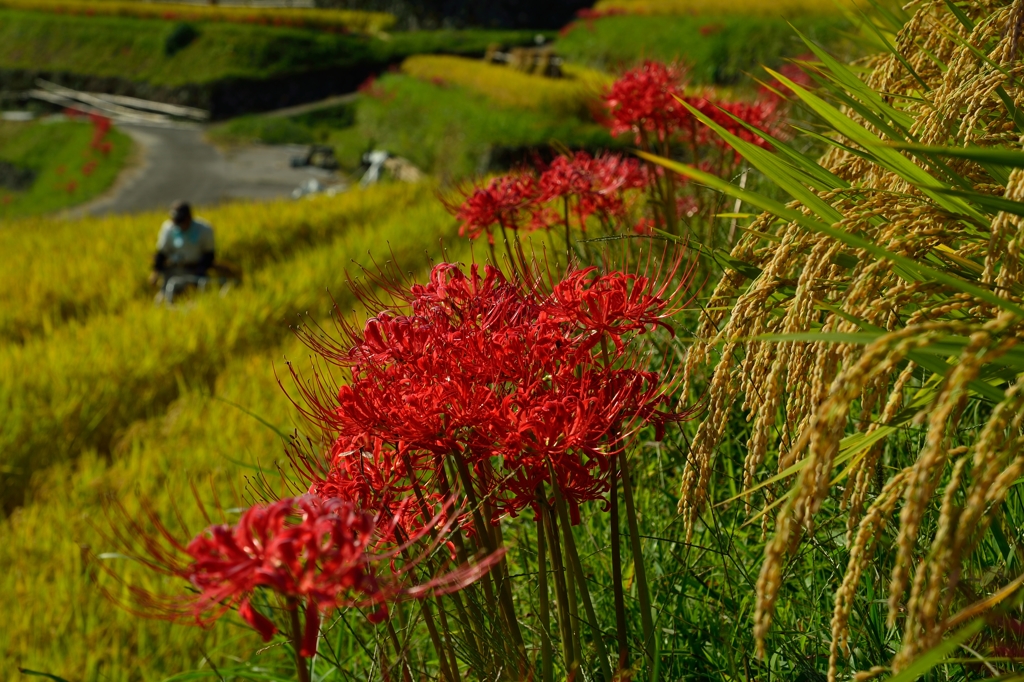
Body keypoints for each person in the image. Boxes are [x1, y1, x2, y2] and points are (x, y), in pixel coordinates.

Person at [149, 201, 215, 305]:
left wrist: (199, 274)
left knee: (192, 303)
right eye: (176, 222)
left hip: (193, 271)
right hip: (172, 271)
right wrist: (156, 273)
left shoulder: (204, 229)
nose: (179, 225)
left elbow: (209, 255)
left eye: (181, 222)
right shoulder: (168, 228)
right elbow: (162, 253)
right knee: (160, 302)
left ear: (189, 218)